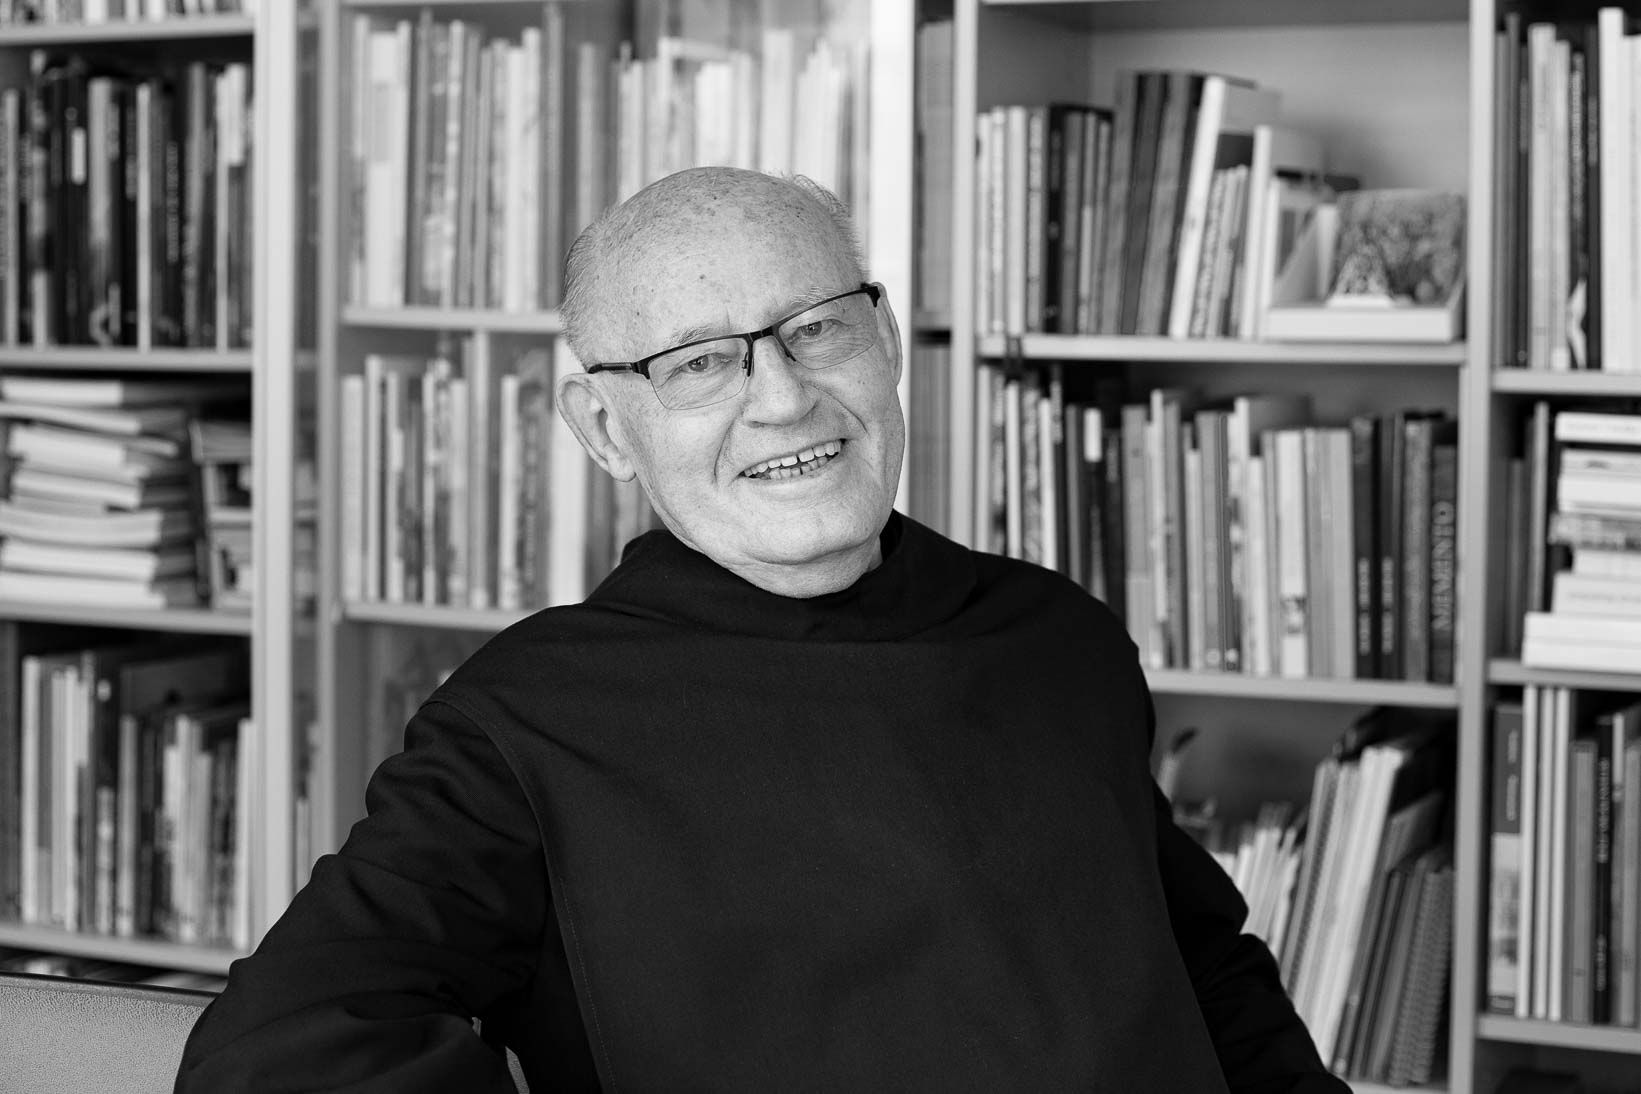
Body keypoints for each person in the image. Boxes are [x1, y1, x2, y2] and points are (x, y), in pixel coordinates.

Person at [176, 167, 1348, 1092]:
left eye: (816, 329)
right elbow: (280, 1053)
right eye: (699, 364)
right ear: (604, 428)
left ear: (886, 341)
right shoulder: (522, 722)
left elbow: (1205, 975)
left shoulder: (1059, 632)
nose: (782, 397)